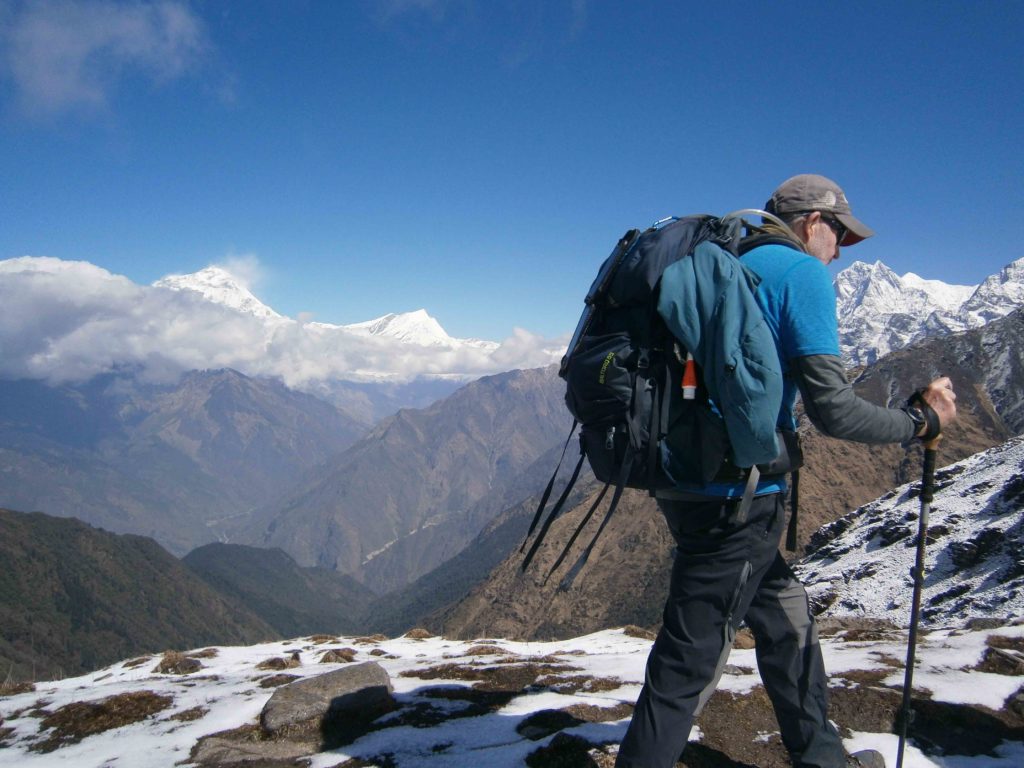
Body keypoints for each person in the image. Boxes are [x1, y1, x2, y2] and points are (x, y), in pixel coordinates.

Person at [615, 174, 957, 768]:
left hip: (685, 477)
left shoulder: (723, 264)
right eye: (841, 233)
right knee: (689, 661)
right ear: (811, 223)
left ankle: (821, 757)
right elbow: (833, 410)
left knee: (785, 619)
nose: (843, 248)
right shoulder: (800, 275)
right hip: (740, 496)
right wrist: (918, 423)